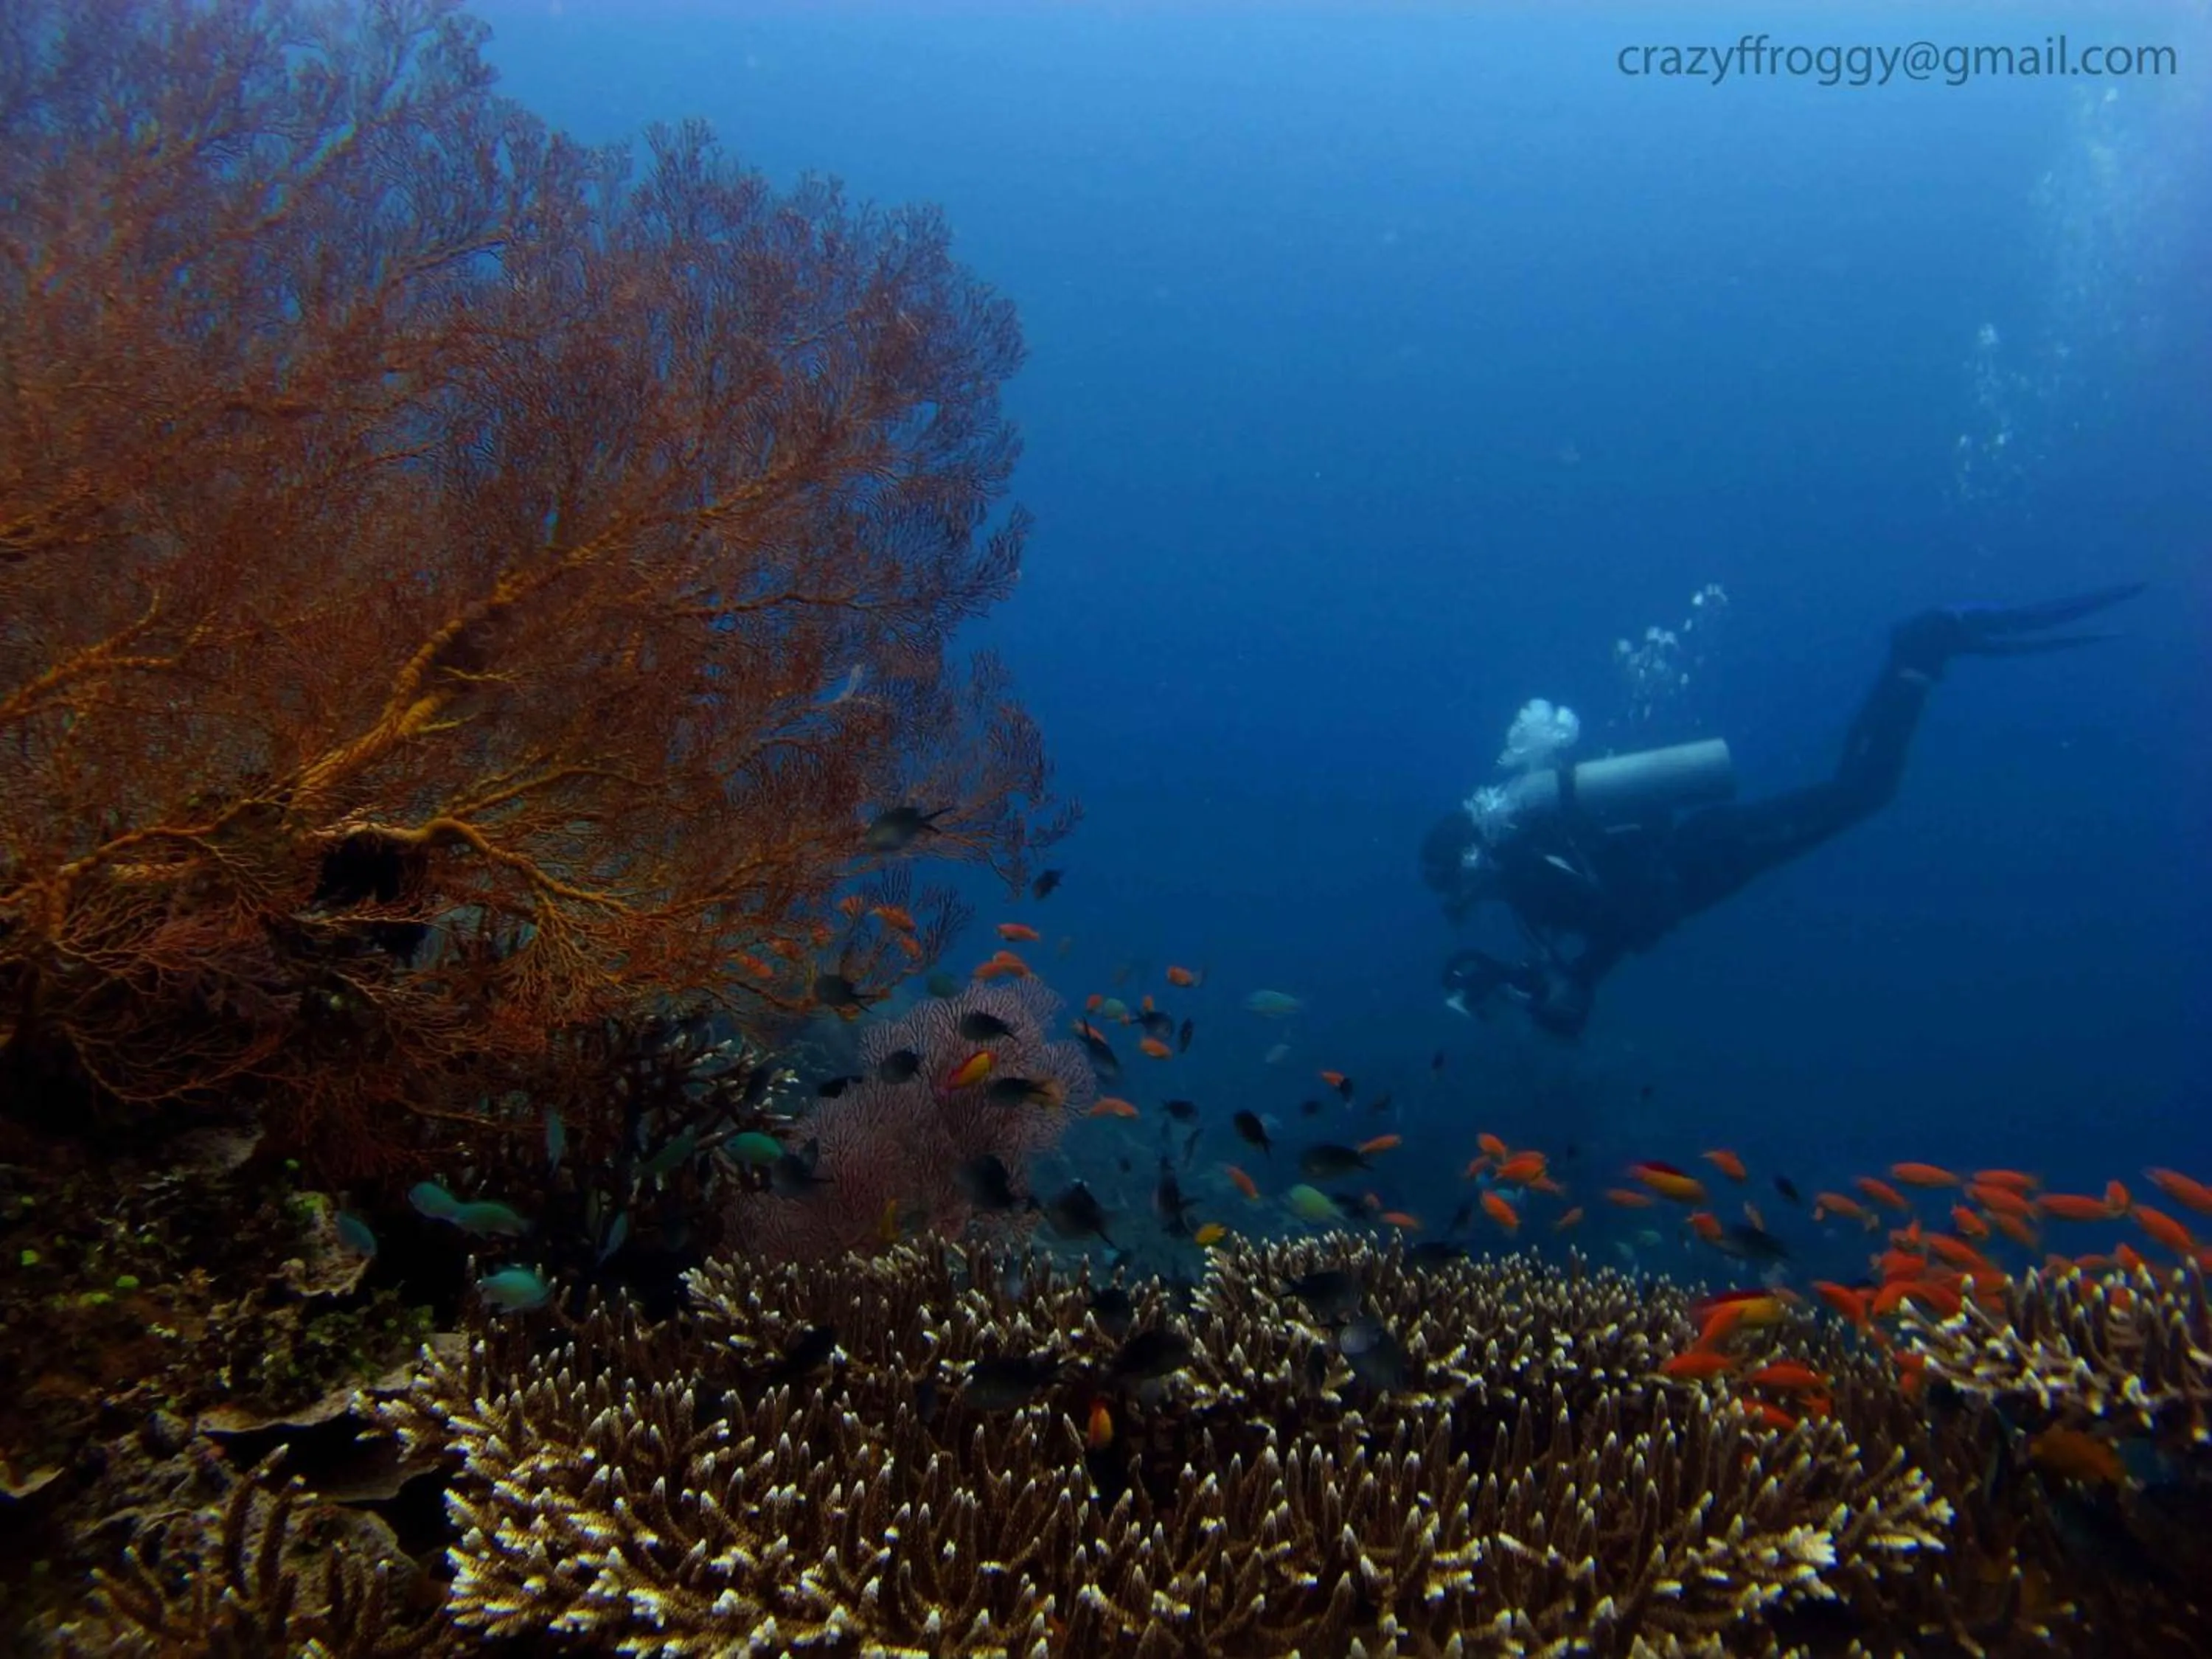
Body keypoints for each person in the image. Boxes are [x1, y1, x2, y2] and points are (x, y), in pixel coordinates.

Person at [1419, 584, 2145, 1038]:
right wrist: (1558, 979)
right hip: (1703, 855)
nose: (1459, 903)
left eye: (1453, 888)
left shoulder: (1524, 876)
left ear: (1466, 864)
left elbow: (1621, 920)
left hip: (1708, 857)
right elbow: (1605, 929)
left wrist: (1540, 981)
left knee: (1859, 793)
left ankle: (1919, 651)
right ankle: (1917, 658)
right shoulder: (1524, 870)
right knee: (1853, 794)